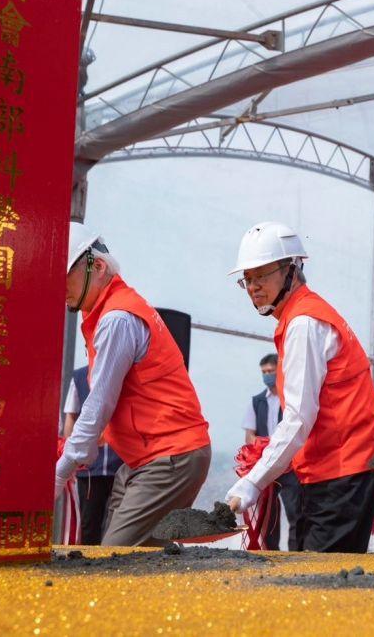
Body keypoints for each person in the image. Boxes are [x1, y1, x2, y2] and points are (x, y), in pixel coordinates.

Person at [224, 222, 374, 553]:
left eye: (262, 275)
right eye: (248, 280)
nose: (253, 287)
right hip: (333, 468)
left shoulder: (304, 323)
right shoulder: (301, 317)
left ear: (292, 269)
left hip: (343, 469)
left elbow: (299, 417)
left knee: (321, 582)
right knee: (308, 568)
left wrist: (255, 480)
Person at [54, 222, 212, 546]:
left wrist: (62, 470)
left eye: (63, 275)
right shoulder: (107, 312)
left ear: (96, 266)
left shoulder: (116, 319)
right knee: (136, 558)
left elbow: (99, 403)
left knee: (116, 559)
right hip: (148, 458)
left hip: (170, 456)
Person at [243, 353, 304, 551]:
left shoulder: (291, 399)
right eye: (264, 372)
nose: (267, 375)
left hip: (289, 465)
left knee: (295, 511)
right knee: (268, 515)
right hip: (266, 465)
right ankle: (271, 553)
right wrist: (261, 447)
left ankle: (296, 554)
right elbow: (249, 435)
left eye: (271, 371)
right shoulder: (256, 402)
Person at [62, 365, 124, 545]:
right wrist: (72, 456)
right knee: (89, 525)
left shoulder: (123, 371)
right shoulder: (79, 376)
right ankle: (89, 568)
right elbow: (71, 417)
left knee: (117, 525)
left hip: (121, 466)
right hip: (89, 471)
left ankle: (114, 566)